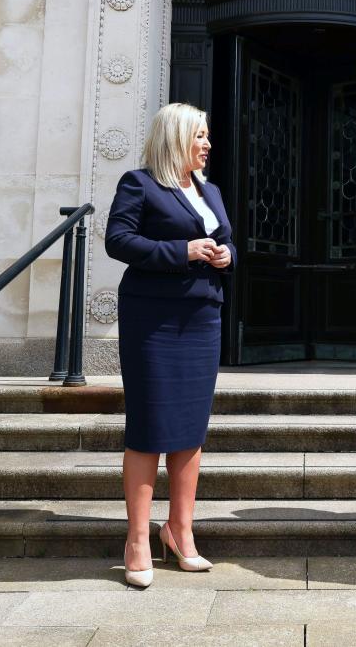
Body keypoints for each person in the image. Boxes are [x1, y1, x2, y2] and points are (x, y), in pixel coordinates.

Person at [104, 102, 235, 589]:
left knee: (190, 429)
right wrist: (181, 251)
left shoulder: (210, 191)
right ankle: (138, 538)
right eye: (199, 135)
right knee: (149, 427)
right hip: (154, 321)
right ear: (176, 138)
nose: (207, 144)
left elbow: (227, 239)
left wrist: (225, 254)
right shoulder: (140, 184)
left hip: (202, 316)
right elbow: (118, 240)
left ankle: (180, 530)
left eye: (207, 135)